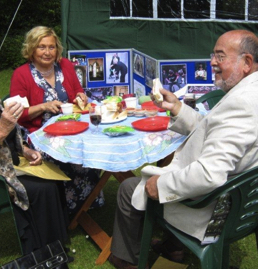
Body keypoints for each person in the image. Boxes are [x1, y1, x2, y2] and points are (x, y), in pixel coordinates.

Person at [108, 29, 258, 269]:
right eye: (213, 55)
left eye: (220, 56)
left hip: (212, 210)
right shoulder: (251, 93)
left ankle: (126, 260)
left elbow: (209, 174)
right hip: (240, 204)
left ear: (247, 62)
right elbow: (212, 131)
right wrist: (177, 107)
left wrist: (162, 186)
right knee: (165, 174)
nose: (212, 62)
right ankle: (173, 247)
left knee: (128, 188)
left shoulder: (241, 102)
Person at [10, 26, 104, 216]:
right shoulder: (21, 74)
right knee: (69, 157)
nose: (47, 52)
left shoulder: (66, 66)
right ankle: (66, 208)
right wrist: (43, 107)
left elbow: (79, 90)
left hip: (71, 126)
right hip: (39, 134)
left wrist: (80, 96)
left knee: (93, 150)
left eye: (51, 47)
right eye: (41, 47)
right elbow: (16, 115)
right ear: (31, 49)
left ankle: (86, 204)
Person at [0, 85, 69, 258]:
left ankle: (55, 246)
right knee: (42, 189)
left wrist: (26, 151)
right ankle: (42, 253)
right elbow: (3, 131)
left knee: (55, 175)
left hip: (11, 165)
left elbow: (10, 136)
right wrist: (1, 130)